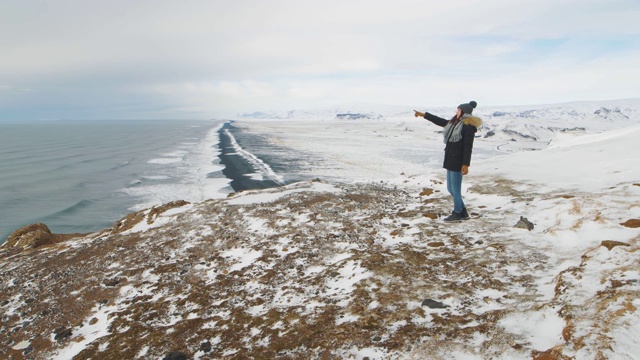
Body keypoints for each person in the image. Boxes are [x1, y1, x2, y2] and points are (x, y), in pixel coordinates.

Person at [414, 101, 483, 222]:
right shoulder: (454, 124)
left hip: (458, 162)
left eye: (458, 110)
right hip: (450, 159)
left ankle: (457, 213)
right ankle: (463, 211)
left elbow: (468, 147)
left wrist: (466, 164)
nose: (456, 112)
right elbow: (440, 121)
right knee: (450, 189)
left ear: (463, 113)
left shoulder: (468, 127)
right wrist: (424, 115)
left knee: (455, 190)